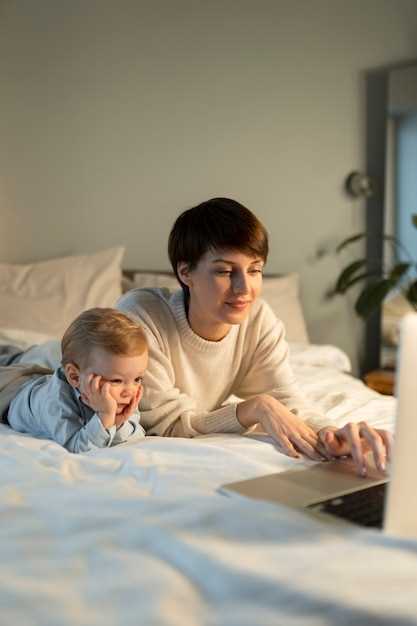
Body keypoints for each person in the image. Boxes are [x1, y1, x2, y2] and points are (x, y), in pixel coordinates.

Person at [117, 197, 393, 476]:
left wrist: (330, 434)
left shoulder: (258, 319)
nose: (244, 288)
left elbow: (286, 399)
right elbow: (165, 425)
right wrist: (252, 409)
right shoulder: (140, 318)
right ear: (185, 272)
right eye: (225, 271)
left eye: (255, 270)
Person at [2, 308, 148, 453]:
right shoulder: (56, 404)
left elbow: (135, 438)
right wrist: (105, 417)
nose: (130, 391)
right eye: (116, 380)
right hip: (12, 389)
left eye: (137, 379)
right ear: (75, 377)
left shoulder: (124, 395)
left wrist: (119, 423)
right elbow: (78, 448)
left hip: (41, 377)